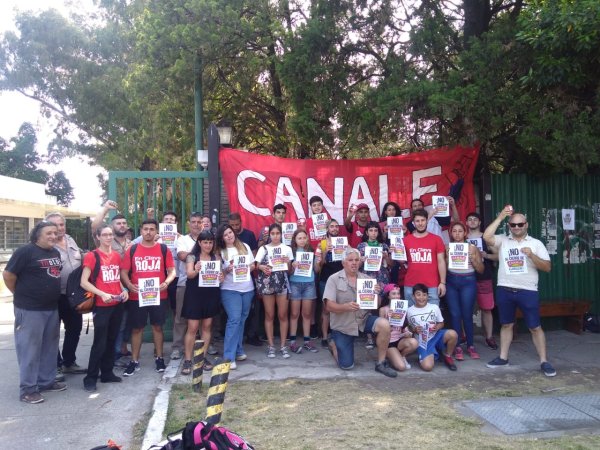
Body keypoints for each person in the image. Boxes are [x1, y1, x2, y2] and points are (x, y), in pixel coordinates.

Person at [483, 207, 556, 377]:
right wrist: (501, 216)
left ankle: (544, 361)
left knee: (535, 327)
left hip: (527, 290)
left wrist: (532, 256)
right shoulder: (503, 240)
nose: (516, 227)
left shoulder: (535, 243)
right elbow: (486, 237)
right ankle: (503, 358)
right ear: (509, 226)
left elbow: (547, 267)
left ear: (526, 225)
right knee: (506, 324)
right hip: (505, 288)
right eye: (513, 224)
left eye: (520, 224)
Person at [3, 221, 66, 404]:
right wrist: (20, 294)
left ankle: (46, 381)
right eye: (49, 233)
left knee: (49, 347)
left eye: (55, 233)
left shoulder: (54, 252)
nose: (53, 236)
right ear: (37, 235)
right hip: (29, 310)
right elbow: (8, 275)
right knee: (29, 350)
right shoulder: (25, 252)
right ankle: (28, 390)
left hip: (51, 308)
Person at [322, 248, 397, 378]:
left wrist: (376, 293)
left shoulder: (367, 279)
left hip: (362, 320)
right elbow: (328, 306)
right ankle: (333, 345)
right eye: (350, 260)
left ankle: (381, 363)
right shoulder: (333, 279)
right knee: (346, 365)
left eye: (357, 260)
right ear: (343, 262)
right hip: (343, 326)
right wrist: (345, 307)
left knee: (384, 324)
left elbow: (376, 305)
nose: (354, 263)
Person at [119, 219, 176, 376]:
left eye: (152, 229)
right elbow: (123, 272)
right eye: (146, 229)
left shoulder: (164, 249)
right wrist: (129, 285)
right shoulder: (133, 249)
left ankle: (159, 358)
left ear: (157, 232)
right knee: (137, 328)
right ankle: (134, 360)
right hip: (137, 295)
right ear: (141, 231)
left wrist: (166, 282)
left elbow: (172, 270)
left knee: (158, 327)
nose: (149, 232)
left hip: (158, 294)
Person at [80, 225, 128, 392]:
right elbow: (84, 281)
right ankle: (91, 377)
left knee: (111, 340)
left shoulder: (115, 255)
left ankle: (107, 373)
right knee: (99, 342)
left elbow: (116, 278)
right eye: (105, 235)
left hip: (117, 304)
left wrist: (124, 290)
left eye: (110, 235)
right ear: (98, 237)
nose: (108, 237)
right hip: (102, 306)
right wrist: (101, 294)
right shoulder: (92, 256)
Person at [45, 212, 86, 376]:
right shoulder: (45, 245)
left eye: (61, 224)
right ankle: (54, 366)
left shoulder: (70, 239)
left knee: (75, 329)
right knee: (51, 332)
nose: (59, 228)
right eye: (55, 225)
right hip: (55, 296)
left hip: (74, 295)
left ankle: (69, 362)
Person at [91, 201, 132, 362]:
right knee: (113, 325)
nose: (122, 226)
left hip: (128, 288)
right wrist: (106, 208)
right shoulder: (105, 241)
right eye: (118, 223)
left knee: (127, 321)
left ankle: (122, 349)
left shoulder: (131, 243)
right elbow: (95, 226)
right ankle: (111, 356)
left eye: (124, 223)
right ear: (111, 226)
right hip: (108, 290)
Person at [180, 230, 224, 374]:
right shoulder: (192, 256)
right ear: (199, 243)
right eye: (205, 242)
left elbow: (219, 277)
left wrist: (221, 276)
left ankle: (202, 357)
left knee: (207, 326)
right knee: (192, 327)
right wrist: (197, 269)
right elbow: (189, 274)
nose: (208, 245)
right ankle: (188, 360)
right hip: (195, 295)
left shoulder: (216, 257)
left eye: (210, 242)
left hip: (210, 294)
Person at [215, 224, 255, 371]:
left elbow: (252, 265)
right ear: (222, 238)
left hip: (247, 289)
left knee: (241, 320)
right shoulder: (219, 251)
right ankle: (229, 357)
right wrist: (227, 269)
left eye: (230, 232)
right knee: (234, 319)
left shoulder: (244, 246)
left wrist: (245, 267)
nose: (229, 236)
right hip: (229, 289)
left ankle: (238, 350)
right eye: (225, 235)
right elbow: (218, 273)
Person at [445, 222, 484, 361]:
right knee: (455, 314)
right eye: (454, 231)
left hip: (468, 281)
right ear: (450, 233)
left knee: (467, 314)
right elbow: (443, 267)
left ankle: (471, 345)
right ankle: (458, 346)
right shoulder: (448, 247)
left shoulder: (472, 248)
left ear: (465, 233)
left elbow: (481, 270)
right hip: (451, 281)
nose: (457, 234)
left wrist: (473, 259)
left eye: (460, 231)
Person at [255, 224, 294, 358]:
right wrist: (262, 267)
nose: (275, 236)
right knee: (269, 315)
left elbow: (290, 270)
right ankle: (271, 346)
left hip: (282, 284)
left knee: (283, 315)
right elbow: (256, 265)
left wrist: (288, 262)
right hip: (267, 284)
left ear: (281, 234)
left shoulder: (286, 248)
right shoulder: (263, 248)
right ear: (269, 235)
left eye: (278, 233)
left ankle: (283, 346)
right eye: (273, 233)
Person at [406, 283, 458, 371]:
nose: (421, 298)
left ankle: (448, 356)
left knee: (453, 334)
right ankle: (431, 353)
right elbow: (409, 327)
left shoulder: (434, 307)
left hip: (436, 336)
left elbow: (441, 323)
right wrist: (414, 330)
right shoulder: (409, 311)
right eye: (418, 294)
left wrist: (437, 327)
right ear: (413, 296)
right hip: (423, 342)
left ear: (428, 296)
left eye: (424, 295)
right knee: (427, 367)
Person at [357, 221, 392, 349]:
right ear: (366, 232)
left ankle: (379, 332)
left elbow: (390, 265)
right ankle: (369, 337)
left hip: (380, 278)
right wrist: (361, 260)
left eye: (375, 230)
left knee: (377, 305)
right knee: (367, 306)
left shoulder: (383, 246)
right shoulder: (361, 246)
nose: (373, 233)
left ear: (379, 232)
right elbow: (356, 265)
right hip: (366, 278)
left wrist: (386, 257)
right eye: (371, 230)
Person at [466, 212, 499, 350]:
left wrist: (487, 255)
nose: (472, 221)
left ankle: (489, 337)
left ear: (479, 222)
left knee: (486, 308)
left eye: (475, 219)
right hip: (466, 277)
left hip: (484, 277)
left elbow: (498, 256)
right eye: (470, 219)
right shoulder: (462, 238)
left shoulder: (486, 238)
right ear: (466, 222)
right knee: (465, 308)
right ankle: (465, 337)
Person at [403, 209, 447, 306]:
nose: (420, 223)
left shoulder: (436, 239)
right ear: (413, 223)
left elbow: (441, 262)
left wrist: (442, 283)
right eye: (417, 221)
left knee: (432, 318)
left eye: (423, 220)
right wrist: (395, 251)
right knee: (412, 318)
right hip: (411, 284)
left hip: (431, 285)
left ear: (427, 221)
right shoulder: (406, 240)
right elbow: (402, 261)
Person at [288, 229, 320, 353]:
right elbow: (288, 272)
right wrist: (292, 265)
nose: (302, 240)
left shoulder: (311, 251)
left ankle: (307, 341)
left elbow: (316, 270)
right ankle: (292, 342)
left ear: (307, 239)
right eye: (299, 238)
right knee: (294, 314)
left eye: (304, 238)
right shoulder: (291, 252)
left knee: (307, 314)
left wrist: (318, 262)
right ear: (295, 240)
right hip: (295, 283)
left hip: (309, 284)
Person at [316, 219, 344, 348]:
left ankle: (338, 334)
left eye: (336, 226)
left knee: (339, 308)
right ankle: (324, 337)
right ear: (327, 229)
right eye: (331, 226)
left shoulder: (343, 242)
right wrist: (325, 251)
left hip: (341, 278)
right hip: (326, 279)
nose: (334, 228)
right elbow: (319, 265)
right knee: (326, 309)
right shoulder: (321, 244)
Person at [379, 284, 418, 371]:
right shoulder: (383, 309)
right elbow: (381, 331)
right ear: (388, 296)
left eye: (398, 293)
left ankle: (402, 356)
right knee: (401, 367)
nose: (397, 296)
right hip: (389, 342)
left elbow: (405, 327)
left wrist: (407, 332)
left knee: (414, 342)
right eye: (393, 294)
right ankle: (390, 355)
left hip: (400, 339)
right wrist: (388, 318)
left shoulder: (403, 308)